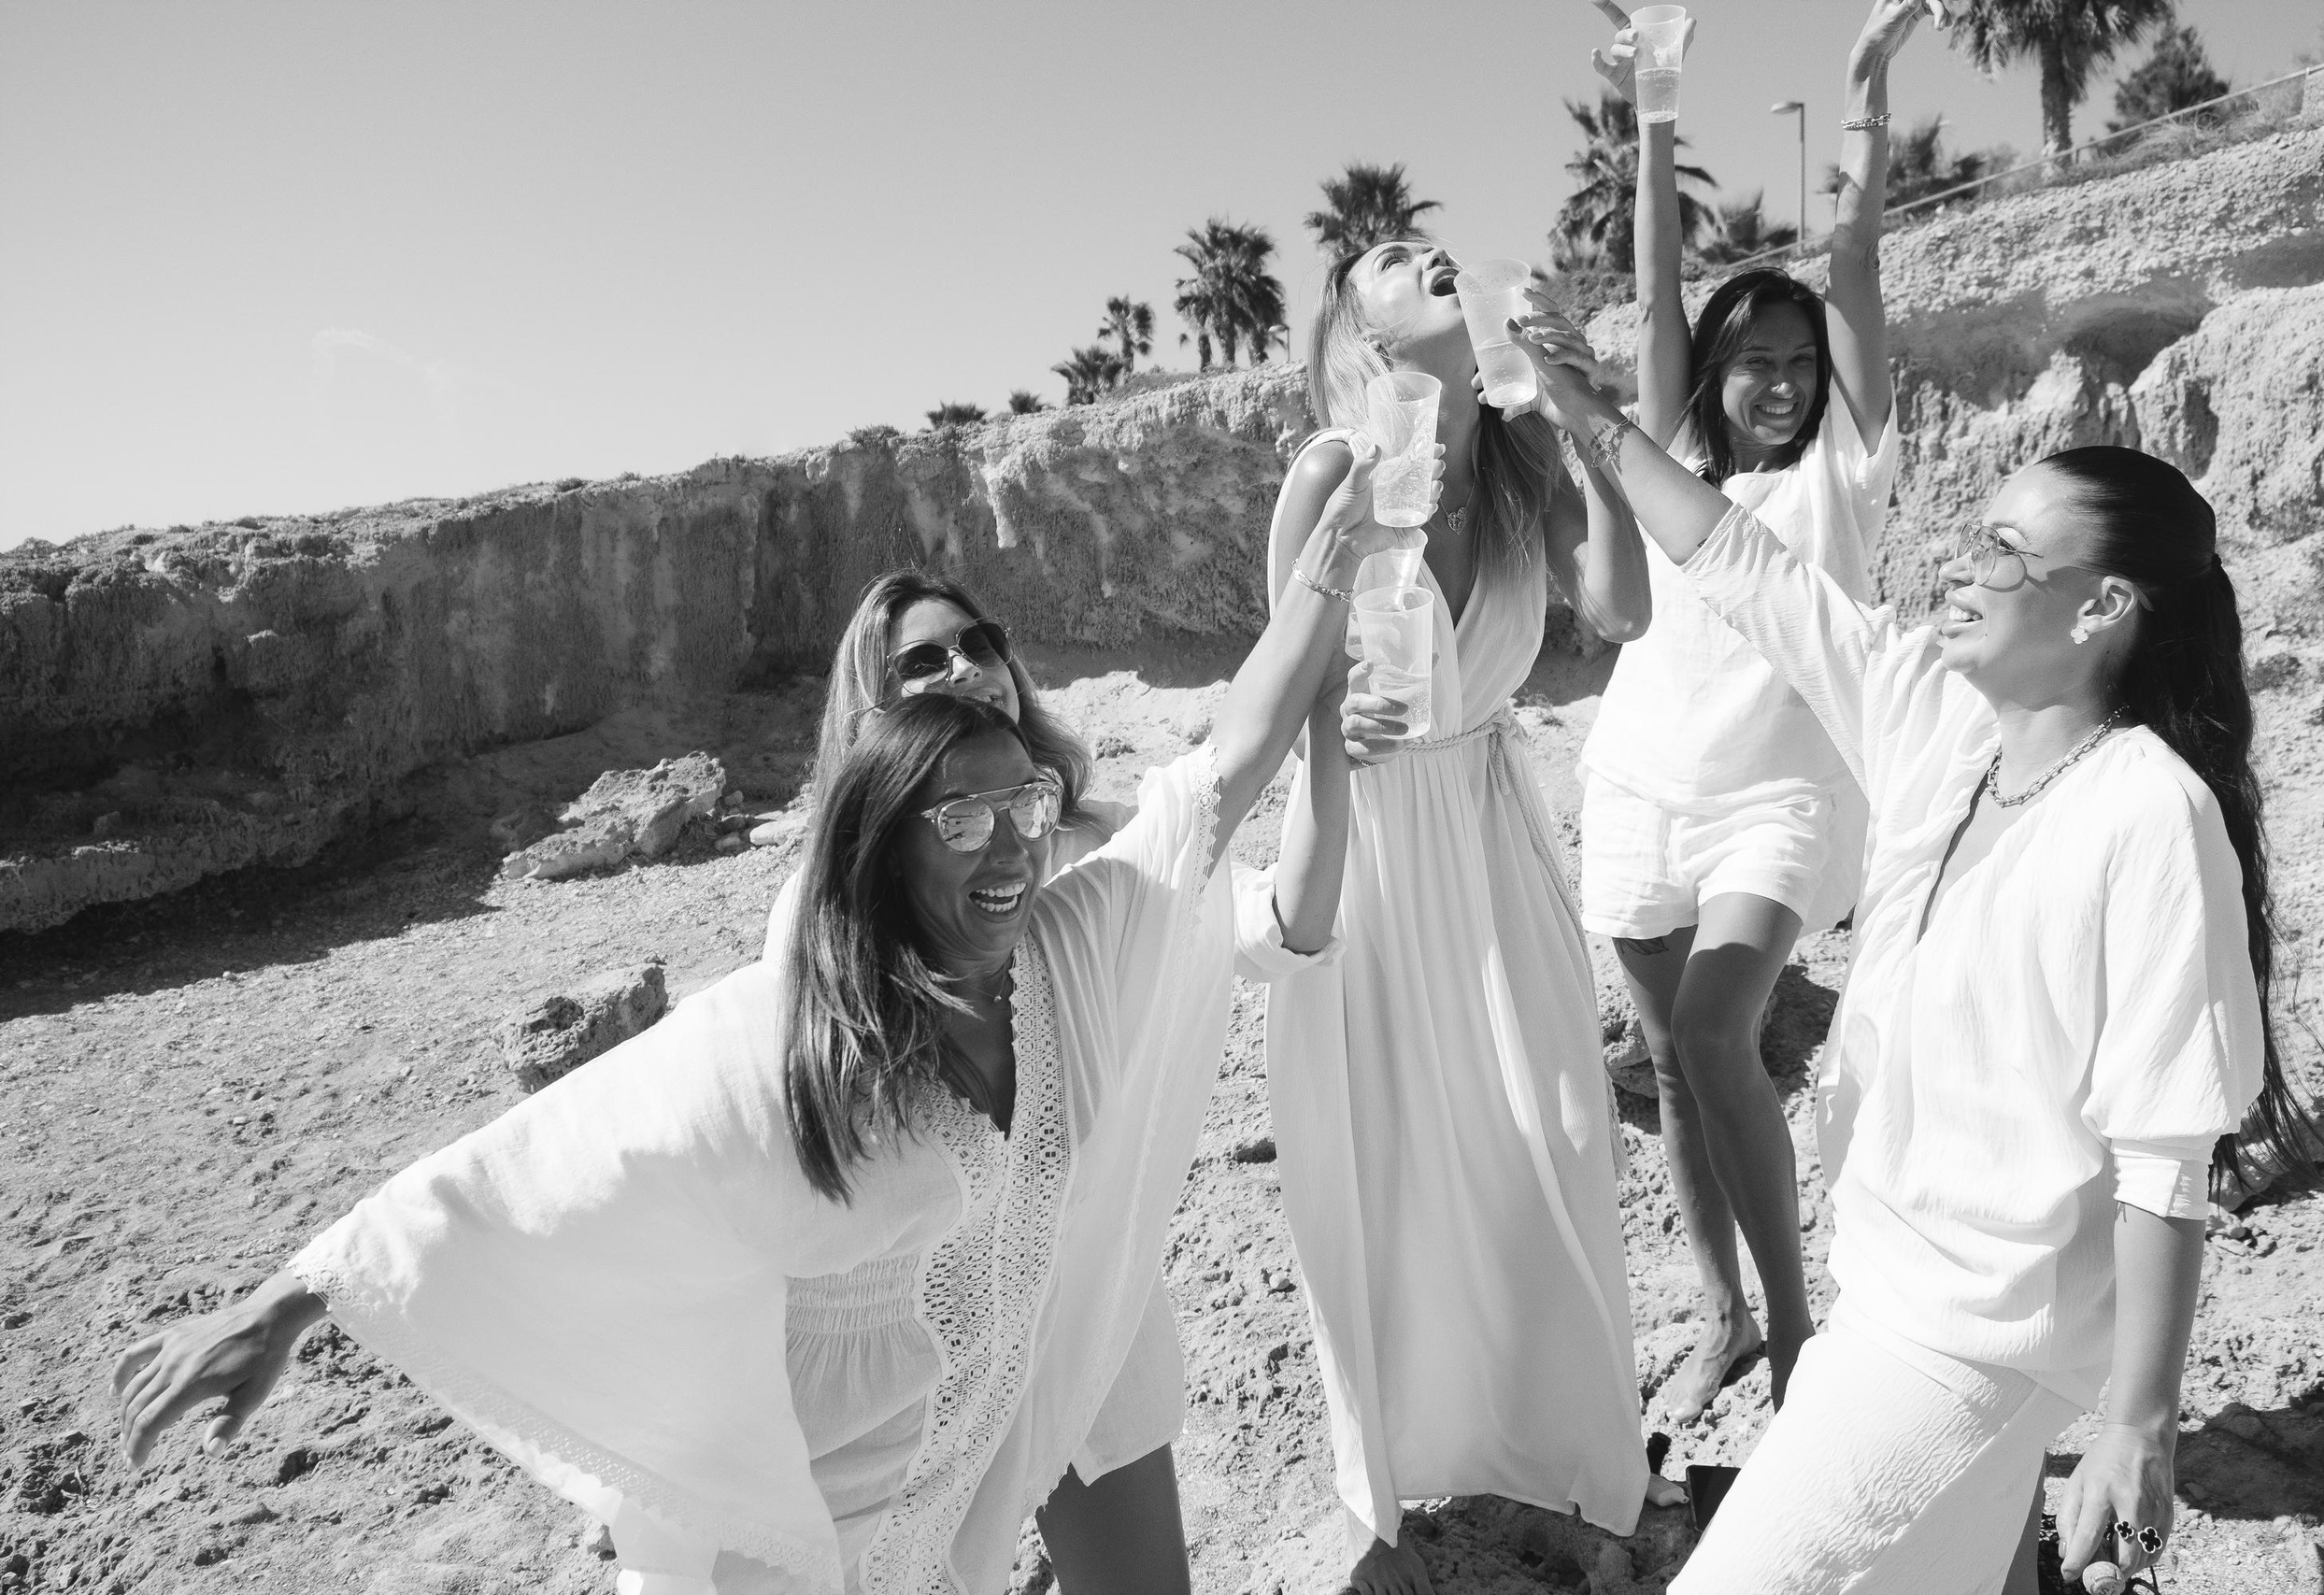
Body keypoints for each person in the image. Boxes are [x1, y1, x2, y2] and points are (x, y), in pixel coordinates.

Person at [108, 447, 1395, 1595]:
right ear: (880, 819)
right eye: (957, 814)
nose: (1005, 842)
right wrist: (300, 1288)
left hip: (974, 1456)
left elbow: (1227, 766)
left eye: (1026, 808)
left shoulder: (1080, 932)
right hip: (792, 1529)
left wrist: (1334, 557)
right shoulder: (810, 1016)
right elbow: (560, 1158)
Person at [1514, 289, 2314, 1590]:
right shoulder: (1939, 715)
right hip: (1883, 1279)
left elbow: (2165, 1160)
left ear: (2105, 607)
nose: (1962, 560)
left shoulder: (2150, 812)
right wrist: (1592, 418)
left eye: (2004, 549)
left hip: (1975, 1339)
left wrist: (2138, 1421)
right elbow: (1740, 562)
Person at [1262, 226, 1657, 1595]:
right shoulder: (1326, 472)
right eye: (1388, 256)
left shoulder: (1518, 451)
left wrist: (1587, 429)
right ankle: (1383, 1506)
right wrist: (1332, 712)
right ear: (1356, 332)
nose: (1429, 250)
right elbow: (1274, 687)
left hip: (1489, 831)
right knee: (1380, 1165)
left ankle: (1601, 1481)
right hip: (1368, 853)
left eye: (1432, 242)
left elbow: (1620, 608)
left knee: (1556, 1129)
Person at [1573, 0, 1933, 1420]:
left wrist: (1859, 87)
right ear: (1715, 377)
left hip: (1781, 800)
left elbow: (1857, 262)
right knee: (1667, 1059)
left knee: (1721, 1032)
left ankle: (1796, 1328)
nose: (1782, 380)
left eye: (1800, 360)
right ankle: (1718, 1309)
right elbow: (1658, 285)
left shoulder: (1847, 467)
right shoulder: (1677, 460)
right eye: (1756, 361)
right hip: (1640, 783)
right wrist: (1658, 101)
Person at [812, 569, 1132, 874]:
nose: (965, 668)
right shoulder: (828, 899)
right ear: (871, 713)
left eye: (980, 645)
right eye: (923, 663)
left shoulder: (1112, 843)